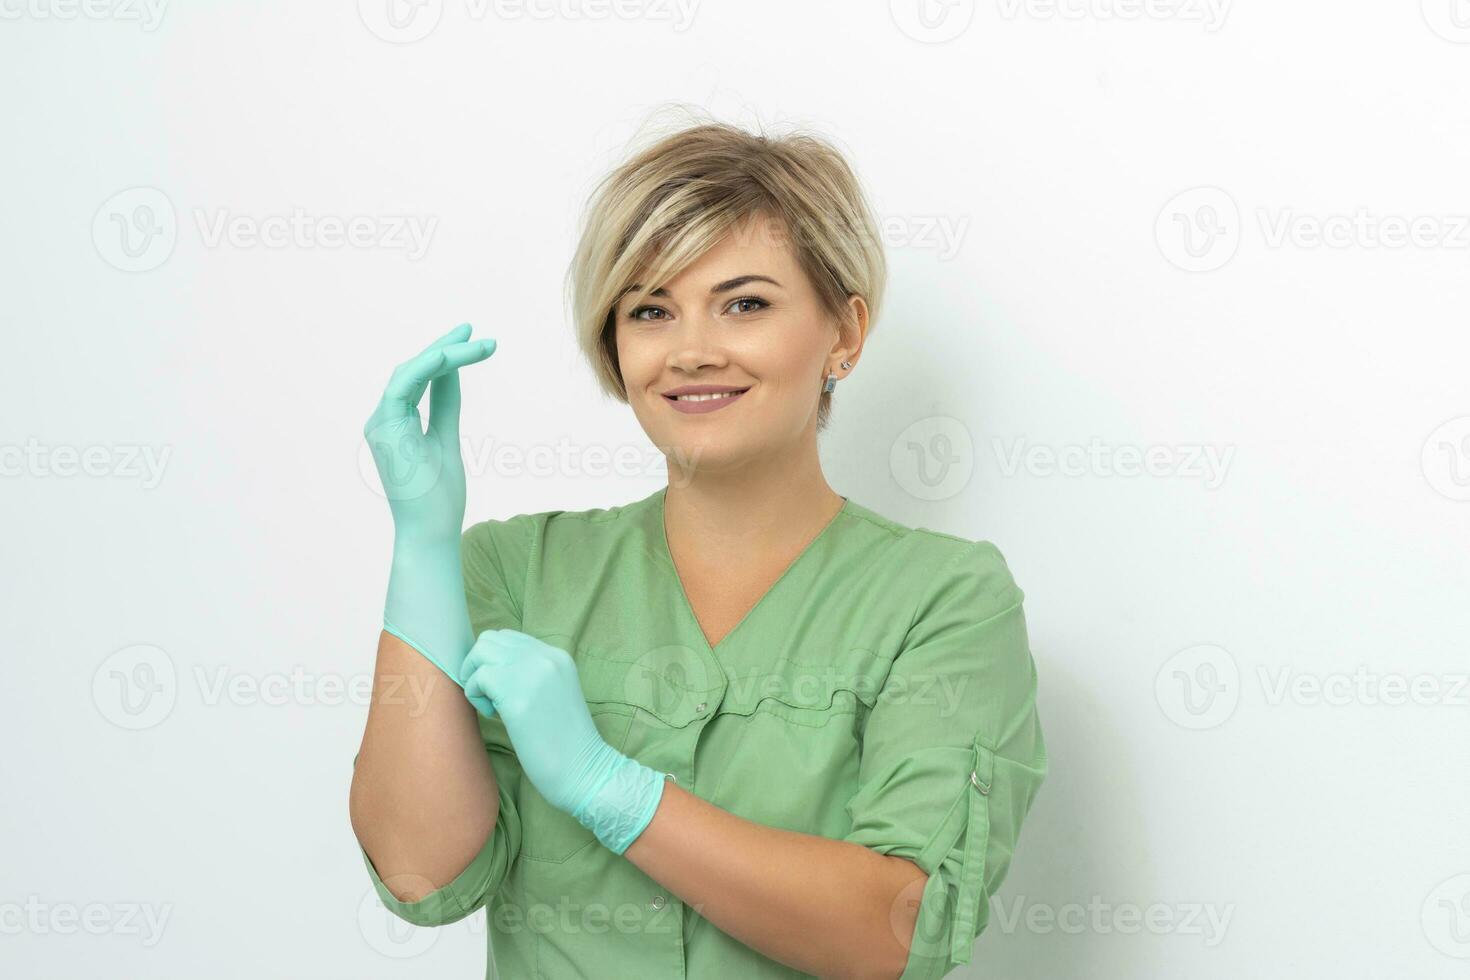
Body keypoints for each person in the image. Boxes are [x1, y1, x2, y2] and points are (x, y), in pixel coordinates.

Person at [349, 114, 1047, 979]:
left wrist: (614, 789)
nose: (690, 351)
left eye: (745, 303)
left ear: (845, 334)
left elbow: (896, 931)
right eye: (651, 310)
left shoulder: (945, 601)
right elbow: (426, 876)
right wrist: (421, 546)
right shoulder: (512, 574)